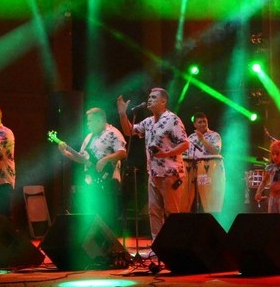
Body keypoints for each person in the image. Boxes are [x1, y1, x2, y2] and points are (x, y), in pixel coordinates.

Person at [117, 88, 189, 240]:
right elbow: (129, 131)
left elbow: (185, 144)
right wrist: (123, 114)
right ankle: (158, 245)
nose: (149, 99)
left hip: (170, 174)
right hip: (153, 173)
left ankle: (175, 244)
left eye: (154, 97)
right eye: (149, 97)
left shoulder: (172, 119)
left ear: (164, 101)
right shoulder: (148, 121)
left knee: (172, 212)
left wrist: (166, 153)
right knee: (153, 211)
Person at [57, 107, 127, 233]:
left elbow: (122, 153)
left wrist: (105, 159)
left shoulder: (113, 133)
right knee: (92, 213)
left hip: (108, 180)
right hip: (91, 180)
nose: (88, 124)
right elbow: (83, 158)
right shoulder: (89, 137)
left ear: (99, 120)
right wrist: (65, 153)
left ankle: (109, 239)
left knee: (107, 213)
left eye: (90, 121)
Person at [185, 112, 225, 213]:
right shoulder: (191, 138)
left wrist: (202, 140)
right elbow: (185, 155)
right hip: (192, 174)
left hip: (207, 174)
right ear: (194, 124)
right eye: (200, 122)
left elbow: (215, 151)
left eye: (204, 121)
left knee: (206, 203)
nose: (203, 124)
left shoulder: (215, 135)